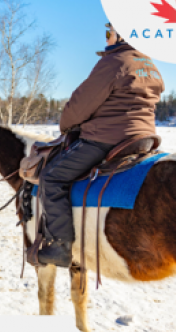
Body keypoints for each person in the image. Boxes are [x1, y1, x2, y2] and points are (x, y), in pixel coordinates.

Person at [38, 22, 165, 267]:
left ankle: (60, 247)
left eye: (109, 32)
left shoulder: (114, 62)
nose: (106, 38)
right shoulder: (151, 65)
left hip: (107, 139)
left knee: (52, 178)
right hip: (144, 138)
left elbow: (80, 105)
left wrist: (67, 125)